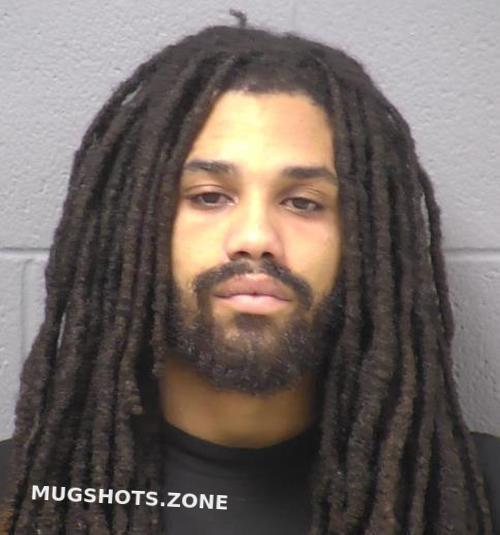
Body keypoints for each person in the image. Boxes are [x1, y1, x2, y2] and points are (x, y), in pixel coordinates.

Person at [0, 12, 498, 534]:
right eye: (209, 197)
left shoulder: (474, 499)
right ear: (132, 227)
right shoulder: (25, 496)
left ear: (370, 243)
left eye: (303, 202)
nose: (256, 237)